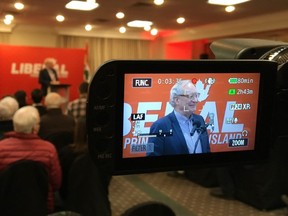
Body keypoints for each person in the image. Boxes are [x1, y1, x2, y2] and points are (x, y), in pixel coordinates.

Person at [0, 106, 62, 213]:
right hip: (42, 205)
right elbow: (56, 183)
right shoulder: (48, 149)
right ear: (35, 128)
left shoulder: (1, 148)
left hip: (5, 206)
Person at [58, 117, 112, 216]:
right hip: (100, 205)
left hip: (72, 207)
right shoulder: (104, 154)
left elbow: (61, 185)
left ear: (77, 131)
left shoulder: (66, 153)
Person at [147, 79, 210, 156]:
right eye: (191, 96)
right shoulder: (160, 126)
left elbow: (206, 149)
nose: (196, 100)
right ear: (177, 100)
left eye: (196, 95)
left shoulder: (199, 120)